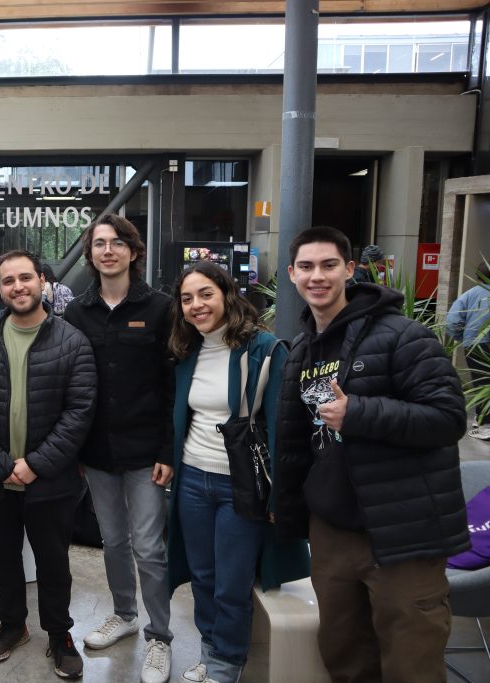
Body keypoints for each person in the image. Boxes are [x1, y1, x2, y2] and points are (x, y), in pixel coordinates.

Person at [274, 226, 469, 683]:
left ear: (349, 269)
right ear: (291, 274)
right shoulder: (302, 348)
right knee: (344, 657)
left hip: (402, 533)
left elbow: (447, 418)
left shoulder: (404, 335)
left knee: (411, 664)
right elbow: (299, 441)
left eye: (327, 265)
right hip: (333, 534)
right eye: (306, 267)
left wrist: (359, 412)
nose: (316, 276)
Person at [0, 249, 96, 680]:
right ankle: (13, 625)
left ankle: (58, 634)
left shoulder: (72, 342)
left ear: (42, 282)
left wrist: (34, 465)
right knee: (2, 560)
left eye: (25, 278)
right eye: (8, 281)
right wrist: (1, 466)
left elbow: (80, 411)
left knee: (53, 563)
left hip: (49, 482)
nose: (18, 287)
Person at [168, 261, 310, 683]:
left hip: (241, 486)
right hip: (192, 478)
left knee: (232, 583)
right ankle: (211, 651)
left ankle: (227, 663)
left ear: (227, 294)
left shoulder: (264, 349)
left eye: (206, 294)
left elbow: (282, 428)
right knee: (203, 577)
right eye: (187, 298)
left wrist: (281, 494)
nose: (197, 305)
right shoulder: (186, 351)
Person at [62, 214, 176, 683]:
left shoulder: (161, 308)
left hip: (147, 451)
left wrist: (168, 451)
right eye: (99, 244)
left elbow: (172, 386)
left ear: (133, 250)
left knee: (149, 548)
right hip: (97, 453)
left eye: (117, 243)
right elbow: (69, 384)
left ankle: (161, 637)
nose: (107, 251)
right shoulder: (76, 313)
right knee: (112, 541)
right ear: (90, 254)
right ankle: (125, 615)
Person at [446, 261, 490, 440]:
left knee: (481, 381)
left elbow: (453, 320)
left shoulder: (470, 294)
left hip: (475, 343)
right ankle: (483, 421)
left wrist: (461, 336)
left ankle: (484, 425)